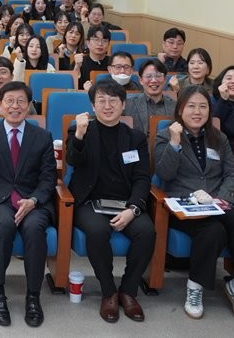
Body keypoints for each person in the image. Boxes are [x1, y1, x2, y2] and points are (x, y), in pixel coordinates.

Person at [154, 86, 234, 322]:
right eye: (191, 106)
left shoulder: (218, 138)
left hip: (218, 201)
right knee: (212, 231)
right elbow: (164, 173)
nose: (197, 112)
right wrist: (174, 143)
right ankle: (195, 287)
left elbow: (233, 172)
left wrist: (223, 197)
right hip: (186, 206)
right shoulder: (165, 135)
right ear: (180, 109)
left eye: (203, 106)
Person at [0, 81, 56, 328]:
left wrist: (35, 200)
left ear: (29, 106)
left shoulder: (42, 136)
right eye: (9, 101)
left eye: (21, 102)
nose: (15, 106)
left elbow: (49, 177)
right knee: (4, 225)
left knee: (35, 228)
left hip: (32, 199)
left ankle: (33, 297)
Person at [66, 79, 154, 324]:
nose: (107, 106)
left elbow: (142, 177)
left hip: (125, 203)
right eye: (101, 101)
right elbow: (73, 160)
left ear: (123, 104)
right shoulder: (79, 130)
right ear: (92, 106)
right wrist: (81, 134)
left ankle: (128, 291)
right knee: (97, 231)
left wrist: (133, 209)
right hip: (89, 202)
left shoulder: (135, 137)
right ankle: (108, 292)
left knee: (146, 232)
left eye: (113, 101)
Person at [123, 59, 176, 136]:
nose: (154, 80)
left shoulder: (175, 106)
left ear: (165, 80)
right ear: (141, 80)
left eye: (158, 76)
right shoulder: (128, 105)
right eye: (148, 76)